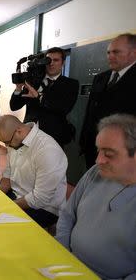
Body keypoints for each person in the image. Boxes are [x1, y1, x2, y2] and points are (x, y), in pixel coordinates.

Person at [56, 114, 136, 279]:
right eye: (99, 150)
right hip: (66, 264)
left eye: (109, 154)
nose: (98, 160)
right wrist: (61, 254)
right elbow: (67, 214)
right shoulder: (95, 173)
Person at [0, 115, 67, 228]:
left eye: (7, 142)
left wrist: (7, 206)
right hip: (18, 195)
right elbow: (7, 175)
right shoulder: (14, 140)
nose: (6, 146)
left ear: (19, 131)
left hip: (44, 208)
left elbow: (40, 198)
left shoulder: (47, 150)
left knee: (1, 228)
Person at [80, 33, 136, 168]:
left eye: (116, 52)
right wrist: (83, 140)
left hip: (121, 153)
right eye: (108, 52)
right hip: (93, 147)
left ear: (133, 53)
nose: (110, 56)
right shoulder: (101, 78)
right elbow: (90, 112)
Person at [10, 47, 79, 148]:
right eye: (48, 60)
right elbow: (14, 106)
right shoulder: (34, 82)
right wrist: (18, 89)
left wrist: (39, 96)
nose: (51, 63)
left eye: (56, 60)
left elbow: (63, 108)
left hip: (53, 138)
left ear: (63, 62)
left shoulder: (71, 84)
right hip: (28, 135)